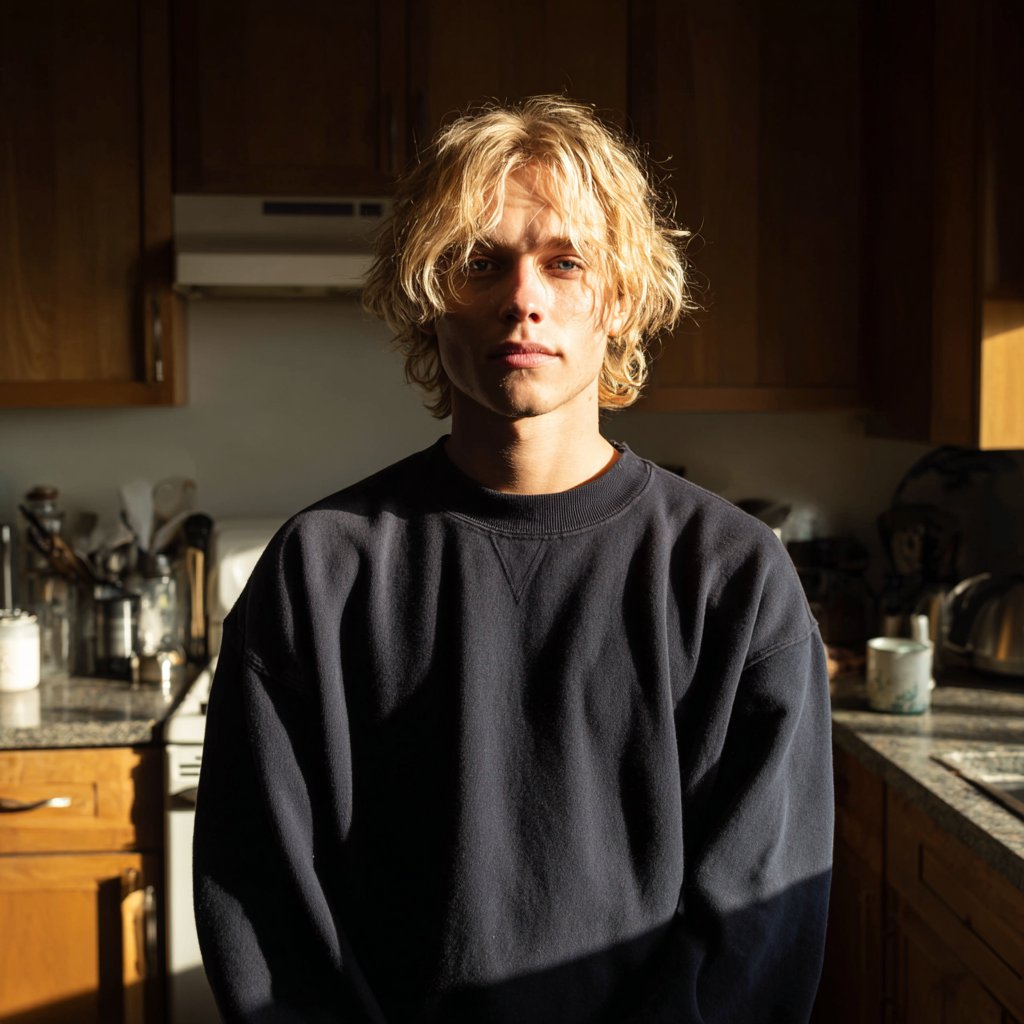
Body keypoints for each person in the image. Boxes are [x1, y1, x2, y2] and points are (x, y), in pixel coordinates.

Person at [193, 95, 834, 1024]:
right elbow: (264, 904)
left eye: (565, 261)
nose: (522, 297)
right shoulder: (321, 572)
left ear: (619, 299)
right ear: (428, 299)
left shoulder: (731, 576)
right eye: (478, 263)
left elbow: (756, 930)